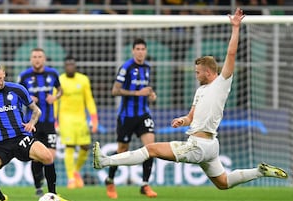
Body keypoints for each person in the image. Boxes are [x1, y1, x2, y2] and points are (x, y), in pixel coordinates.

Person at [93, 8, 288, 191]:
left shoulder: (221, 84)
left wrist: (235, 27)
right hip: (210, 147)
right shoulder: (201, 90)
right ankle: (259, 171)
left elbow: (231, 53)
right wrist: (184, 120)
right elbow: (191, 116)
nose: (195, 75)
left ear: (209, 72)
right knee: (223, 183)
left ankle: (105, 161)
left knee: (150, 149)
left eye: (198, 72)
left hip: (198, 145)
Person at [0, 63, 72, 201]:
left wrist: (31, 123)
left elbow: (36, 111)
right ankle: (0, 199)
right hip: (0, 143)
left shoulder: (18, 89)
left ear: (4, 74)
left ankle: (53, 195)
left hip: (21, 137)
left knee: (48, 156)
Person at [104, 38, 158, 199]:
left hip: (143, 114)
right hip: (126, 116)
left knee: (152, 148)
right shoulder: (126, 67)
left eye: (143, 49)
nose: (141, 51)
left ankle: (144, 184)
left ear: (146, 51)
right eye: (138, 49)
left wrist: (151, 94)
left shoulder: (147, 67)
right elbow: (115, 90)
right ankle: (110, 180)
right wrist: (136, 93)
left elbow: (145, 89)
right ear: (133, 51)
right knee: (122, 150)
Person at [17, 48, 68, 201]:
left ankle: (51, 189)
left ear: (44, 59)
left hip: (50, 123)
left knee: (50, 156)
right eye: (34, 57)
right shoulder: (24, 76)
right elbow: (16, 97)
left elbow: (60, 91)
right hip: (32, 123)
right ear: (31, 59)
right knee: (36, 157)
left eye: (40, 57)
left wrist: (55, 97)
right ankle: (38, 186)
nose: (37, 59)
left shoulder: (52, 74)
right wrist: (28, 98)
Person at [57, 55, 99, 189]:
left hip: (81, 119)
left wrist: (94, 118)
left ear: (75, 66)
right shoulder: (59, 81)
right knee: (69, 146)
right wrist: (54, 121)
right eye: (68, 64)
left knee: (85, 146)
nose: (70, 66)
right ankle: (70, 179)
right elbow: (54, 102)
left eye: (72, 64)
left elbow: (89, 99)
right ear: (65, 67)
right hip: (65, 119)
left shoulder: (83, 79)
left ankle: (75, 170)